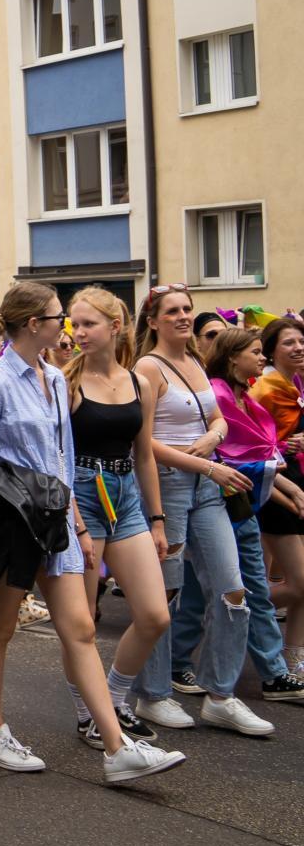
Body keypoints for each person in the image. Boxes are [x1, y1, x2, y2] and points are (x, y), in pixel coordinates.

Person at [0, 283, 187, 782]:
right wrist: (29, 493)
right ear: (31, 325)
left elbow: (63, 460)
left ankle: (116, 749)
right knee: (0, 631)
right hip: (15, 524)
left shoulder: (51, 376)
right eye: (57, 317)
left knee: (81, 629)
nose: (65, 325)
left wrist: (76, 523)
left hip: (59, 523)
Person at [128, 285, 269, 736]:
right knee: (164, 596)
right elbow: (144, 445)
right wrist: (208, 462)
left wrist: (215, 435)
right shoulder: (147, 368)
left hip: (207, 485)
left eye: (187, 309)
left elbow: (218, 416)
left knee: (233, 590)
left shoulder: (197, 362)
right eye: (172, 311)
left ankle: (220, 695)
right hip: (168, 487)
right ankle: (153, 695)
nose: (183, 317)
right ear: (152, 321)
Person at [61, 289, 174, 744]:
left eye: (88, 323)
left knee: (153, 615)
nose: (78, 332)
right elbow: (57, 458)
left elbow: (144, 456)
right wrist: (78, 524)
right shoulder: (64, 383)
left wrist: (158, 519)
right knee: (82, 619)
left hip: (125, 497)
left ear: (115, 326)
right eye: (73, 323)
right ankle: (89, 713)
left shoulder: (138, 382)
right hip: (82, 497)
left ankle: (112, 697)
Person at [200, 327, 304, 703]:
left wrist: (288, 486)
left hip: (246, 500)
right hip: (217, 501)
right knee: (208, 598)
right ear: (232, 357)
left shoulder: (246, 397)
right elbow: (233, 459)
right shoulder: (220, 395)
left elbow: (260, 457)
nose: (261, 358)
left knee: (253, 589)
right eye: (256, 351)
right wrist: (287, 488)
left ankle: (275, 674)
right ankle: (185, 674)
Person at [250, 317, 304, 677]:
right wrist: (283, 446)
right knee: (300, 582)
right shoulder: (264, 390)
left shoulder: (296, 383)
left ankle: (295, 659)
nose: (298, 348)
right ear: (271, 351)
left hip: (301, 484)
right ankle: (233, 605)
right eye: (289, 343)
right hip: (278, 490)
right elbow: (254, 444)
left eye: (301, 341)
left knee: (302, 587)